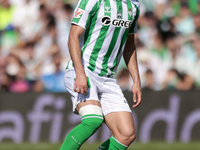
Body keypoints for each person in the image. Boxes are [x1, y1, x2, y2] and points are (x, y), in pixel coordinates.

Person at [60, 0, 141, 149]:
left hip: (108, 77)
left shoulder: (134, 6)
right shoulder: (92, 1)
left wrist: (136, 80)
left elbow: (129, 46)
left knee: (126, 134)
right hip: (84, 70)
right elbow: (73, 37)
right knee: (93, 119)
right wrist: (80, 73)